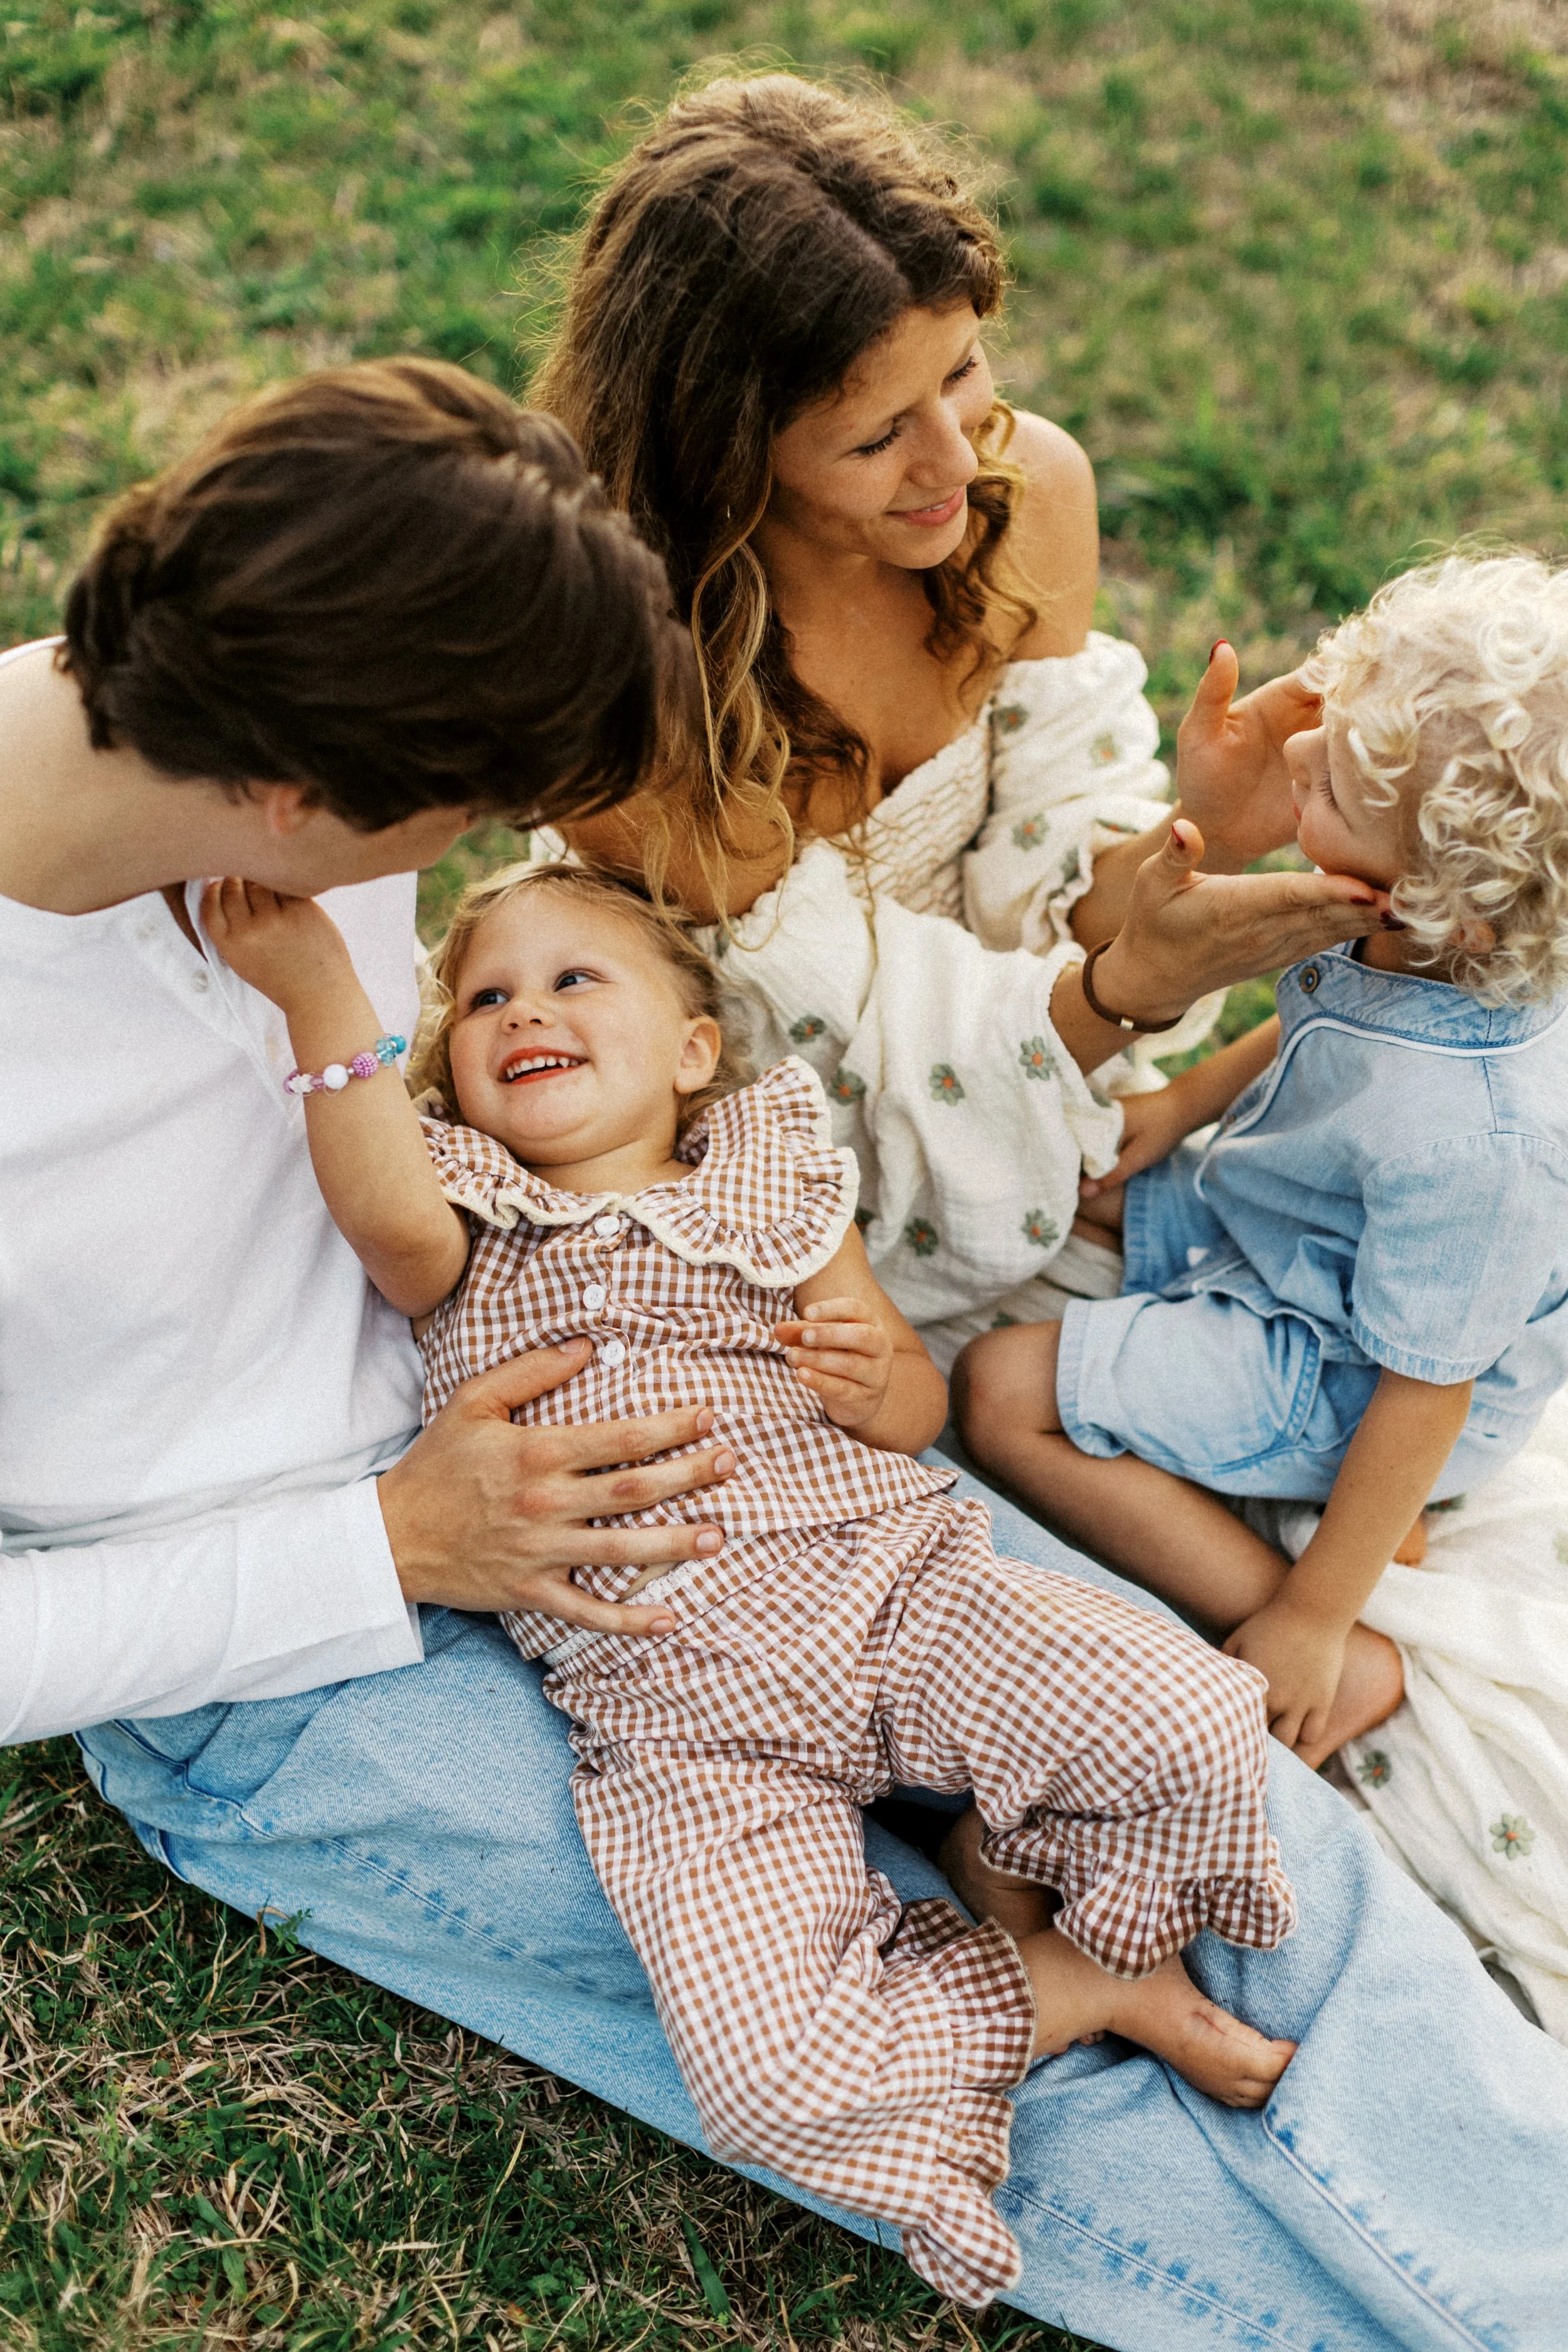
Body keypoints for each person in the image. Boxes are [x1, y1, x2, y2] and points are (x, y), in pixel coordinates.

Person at [5, 361, 1568, 2352]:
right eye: (467, 825)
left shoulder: (318, 635)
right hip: (304, 1629)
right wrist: (389, 1539)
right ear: (302, 797)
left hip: (708, 1415)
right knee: (969, 2063)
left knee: (1227, 1817)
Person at [199, 855, 1297, 2306]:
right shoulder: (458, 1208)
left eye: (573, 977)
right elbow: (387, 1228)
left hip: (893, 1599)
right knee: (772, 2082)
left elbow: (913, 1404)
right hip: (680, 1723)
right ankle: (1073, 1986)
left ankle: (1016, 1857)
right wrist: (325, 1004)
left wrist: (872, 1378)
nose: (522, 1009)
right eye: (482, 998)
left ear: (694, 1051)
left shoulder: (765, 1181)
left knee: (1190, 1718)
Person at [531, 72, 1401, 1363]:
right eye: (878, 435)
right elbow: (845, 1054)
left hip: (1048, 1066)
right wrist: (1123, 993)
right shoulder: (620, 686)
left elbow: (1054, 893)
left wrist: (1191, 836)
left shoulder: (1024, 487)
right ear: (722, 449)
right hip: (784, 1167)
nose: (954, 458)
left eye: (964, 368)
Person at [953, 555, 1568, 1771]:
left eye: (1331, 786)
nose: (1295, 759)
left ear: (1446, 906)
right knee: (1039, 1202)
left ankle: (1298, 1618)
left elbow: (1423, 1385)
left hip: (1348, 1366)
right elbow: (1321, 1027)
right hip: (1291, 1227)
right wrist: (1177, 1103)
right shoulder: (1410, 947)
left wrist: (1310, 1612)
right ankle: (1327, 1546)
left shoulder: (1482, 1144)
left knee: (997, 1393)